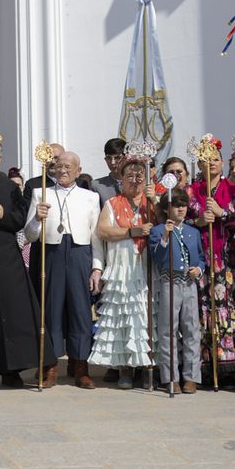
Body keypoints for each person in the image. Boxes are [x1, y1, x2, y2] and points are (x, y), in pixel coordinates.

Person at [0, 137, 52, 387]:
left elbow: (19, 219)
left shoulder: (9, 186)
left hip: (6, 255)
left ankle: (11, 369)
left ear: (0, 157)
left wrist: (4, 214)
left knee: (12, 312)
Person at [25, 151, 102, 388]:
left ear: (79, 170)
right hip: (51, 253)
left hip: (80, 253)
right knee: (51, 310)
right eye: (59, 166)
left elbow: (96, 237)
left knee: (80, 311)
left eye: (69, 166)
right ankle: (50, 365)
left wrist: (97, 267)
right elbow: (30, 235)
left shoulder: (90, 197)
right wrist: (36, 219)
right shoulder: (41, 193)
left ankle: (80, 366)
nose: (63, 170)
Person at [89, 154, 156, 388]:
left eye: (139, 176)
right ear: (121, 179)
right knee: (123, 319)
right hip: (122, 270)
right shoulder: (112, 203)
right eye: (130, 176)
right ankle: (125, 369)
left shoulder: (153, 202)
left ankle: (147, 367)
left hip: (147, 268)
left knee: (147, 317)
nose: (135, 180)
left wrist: (155, 202)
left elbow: (165, 227)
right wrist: (131, 232)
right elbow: (103, 231)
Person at [190, 138, 235, 376]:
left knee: (226, 305)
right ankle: (204, 363)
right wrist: (199, 221)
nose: (211, 162)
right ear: (199, 163)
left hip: (226, 256)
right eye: (206, 159)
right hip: (201, 255)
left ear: (222, 163)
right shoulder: (191, 190)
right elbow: (183, 219)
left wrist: (223, 213)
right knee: (202, 305)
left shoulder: (233, 189)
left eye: (215, 159)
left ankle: (228, 364)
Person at [150, 188, 205, 394]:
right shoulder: (158, 231)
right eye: (176, 205)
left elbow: (201, 257)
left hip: (189, 283)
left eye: (183, 205)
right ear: (167, 209)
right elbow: (156, 257)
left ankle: (191, 376)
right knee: (168, 330)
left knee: (192, 329)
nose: (181, 209)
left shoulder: (193, 232)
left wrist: (199, 269)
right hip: (169, 282)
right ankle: (170, 376)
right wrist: (165, 236)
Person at [92, 137, 126, 206]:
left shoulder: (135, 183)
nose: (113, 162)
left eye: (117, 158)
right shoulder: (97, 186)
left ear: (126, 158)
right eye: (109, 158)